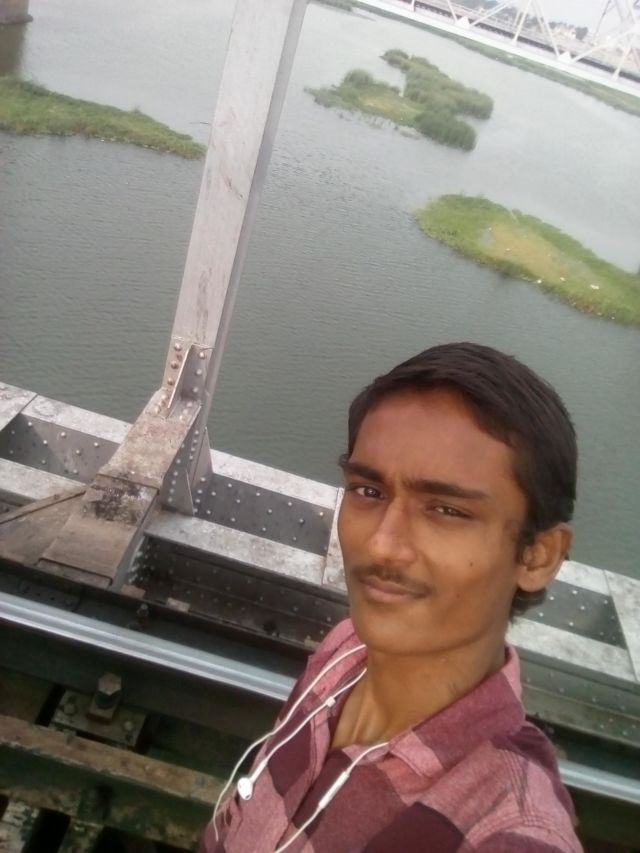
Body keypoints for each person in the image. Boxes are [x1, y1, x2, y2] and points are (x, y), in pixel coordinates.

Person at [201, 342, 583, 852]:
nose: (381, 545)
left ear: (537, 556)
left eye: (447, 510)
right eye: (369, 491)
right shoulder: (345, 652)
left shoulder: (509, 831)